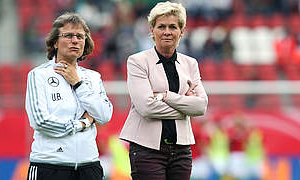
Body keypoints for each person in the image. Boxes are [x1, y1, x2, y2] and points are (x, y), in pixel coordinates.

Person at [119, 2, 208, 180]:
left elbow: (201, 107)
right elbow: (146, 107)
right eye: (161, 26)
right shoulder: (137, 61)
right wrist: (184, 107)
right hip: (147, 149)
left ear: (181, 31)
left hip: (181, 150)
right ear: (152, 30)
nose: (167, 31)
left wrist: (166, 97)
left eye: (173, 27)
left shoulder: (190, 64)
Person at [25, 12, 113, 180]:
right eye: (68, 35)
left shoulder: (93, 77)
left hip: (90, 166)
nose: (75, 40)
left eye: (80, 36)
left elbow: (104, 115)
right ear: (55, 42)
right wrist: (82, 123)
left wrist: (78, 84)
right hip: (49, 166)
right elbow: (40, 121)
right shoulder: (38, 75)